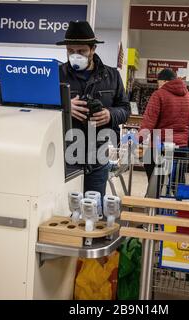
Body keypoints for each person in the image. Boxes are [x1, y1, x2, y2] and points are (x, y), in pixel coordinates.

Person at [57, 21, 130, 200]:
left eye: (81, 51)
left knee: (94, 206)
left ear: (93, 49)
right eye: (70, 51)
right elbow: (41, 108)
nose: (75, 55)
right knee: (65, 206)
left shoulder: (112, 76)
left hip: (98, 155)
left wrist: (110, 115)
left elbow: (125, 109)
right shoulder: (57, 75)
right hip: (65, 155)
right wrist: (64, 107)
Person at [139, 69, 189, 180]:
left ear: (164, 81)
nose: (158, 86)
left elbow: (148, 123)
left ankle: (154, 196)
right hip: (181, 148)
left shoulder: (158, 95)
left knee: (155, 185)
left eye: (159, 83)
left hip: (159, 147)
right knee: (177, 185)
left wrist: (137, 140)